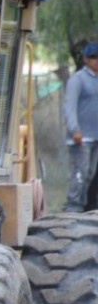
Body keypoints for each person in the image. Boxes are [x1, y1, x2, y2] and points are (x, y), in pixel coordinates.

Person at [63, 42, 98, 213]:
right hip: (81, 136)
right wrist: (74, 129)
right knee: (80, 172)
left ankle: (83, 206)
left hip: (95, 135)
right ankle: (73, 206)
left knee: (90, 173)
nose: (96, 60)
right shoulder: (78, 79)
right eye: (93, 57)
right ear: (85, 59)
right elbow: (70, 106)